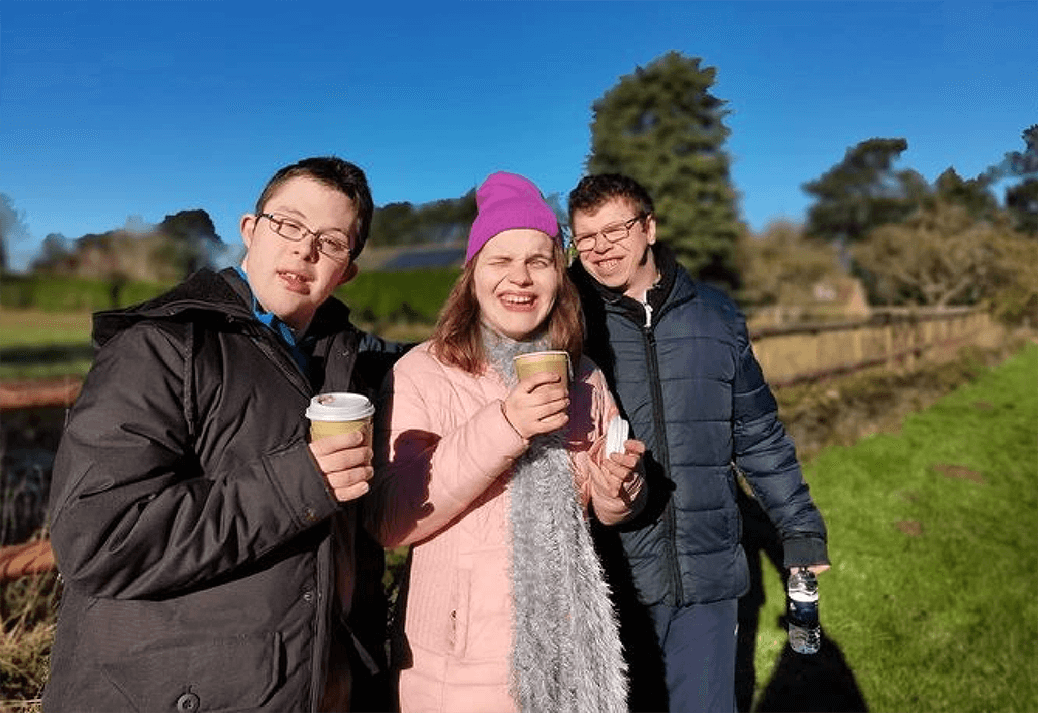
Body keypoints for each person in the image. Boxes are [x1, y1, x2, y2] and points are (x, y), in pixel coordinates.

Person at [44, 156, 405, 712]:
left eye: (331, 241)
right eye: (288, 224)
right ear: (250, 229)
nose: (304, 250)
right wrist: (299, 484)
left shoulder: (341, 362)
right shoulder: (162, 347)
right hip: (167, 693)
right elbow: (99, 538)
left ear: (347, 270)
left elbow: (447, 356)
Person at [366, 171, 646, 713]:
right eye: (501, 261)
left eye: (538, 261)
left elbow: (607, 507)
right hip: (458, 667)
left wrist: (620, 487)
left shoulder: (584, 374)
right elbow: (389, 519)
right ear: (473, 276)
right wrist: (506, 425)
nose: (520, 278)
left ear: (558, 277)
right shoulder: (423, 371)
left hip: (570, 651)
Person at [566, 173, 831, 713]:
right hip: (611, 574)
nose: (599, 248)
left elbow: (757, 434)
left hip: (708, 570)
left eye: (614, 230)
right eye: (585, 236)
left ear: (650, 228)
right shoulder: (567, 321)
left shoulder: (716, 317)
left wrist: (800, 530)